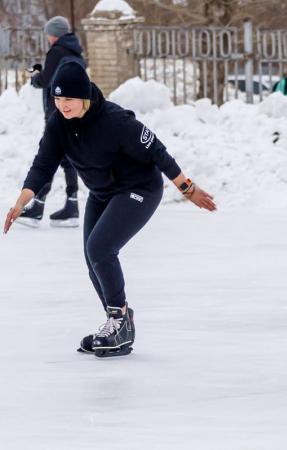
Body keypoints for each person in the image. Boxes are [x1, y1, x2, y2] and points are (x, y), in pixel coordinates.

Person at [4, 59, 217, 357]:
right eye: (58, 98)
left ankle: (119, 321)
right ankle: (118, 321)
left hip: (139, 188)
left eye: (69, 99)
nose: (63, 106)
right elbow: (43, 165)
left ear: (85, 97)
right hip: (102, 192)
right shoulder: (58, 124)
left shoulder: (115, 120)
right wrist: (21, 201)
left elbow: (157, 150)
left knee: (101, 248)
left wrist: (187, 188)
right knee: (93, 258)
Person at [18, 16, 84, 228]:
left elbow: (47, 81)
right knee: (67, 158)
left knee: (50, 155)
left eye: (48, 34)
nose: (47, 38)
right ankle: (72, 206)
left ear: (53, 34)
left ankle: (37, 207)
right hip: (72, 111)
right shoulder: (76, 54)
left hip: (56, 111)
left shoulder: (56, 51)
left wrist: (36, 76)